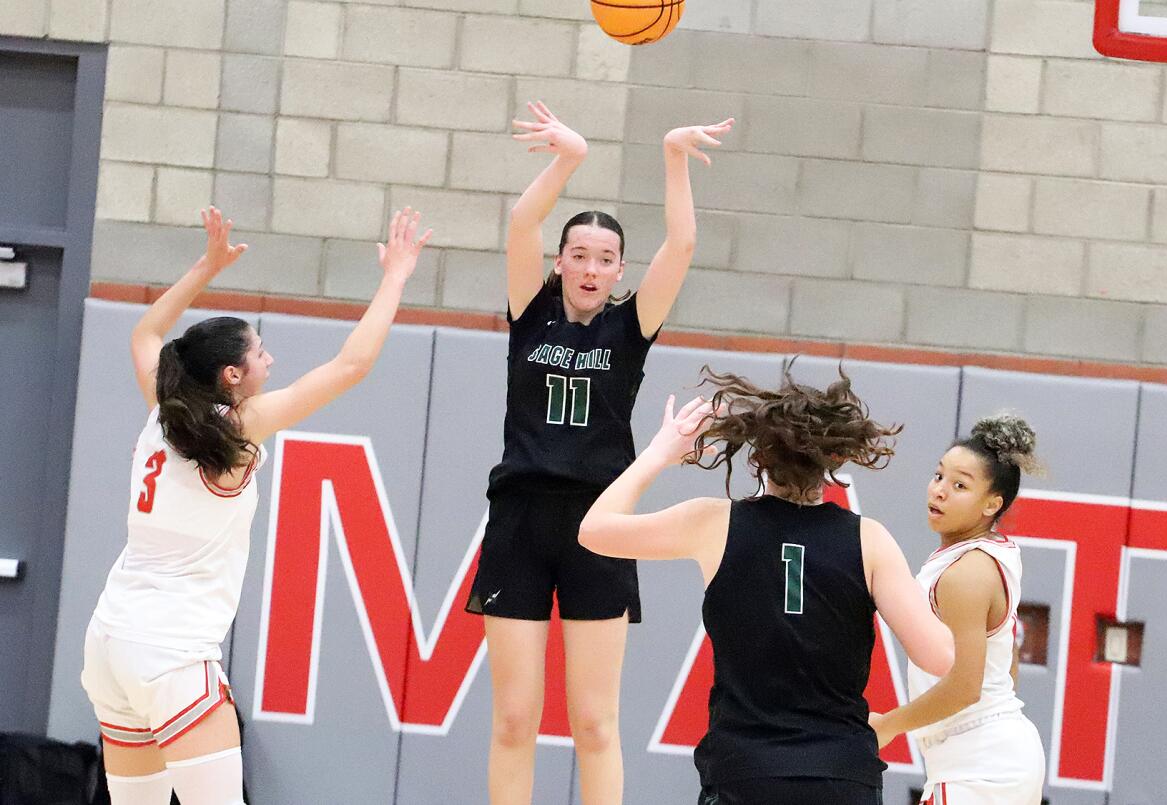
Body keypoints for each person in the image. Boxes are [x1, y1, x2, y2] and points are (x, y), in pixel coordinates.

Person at [80, 206, 431, 804]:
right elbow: (353, 364)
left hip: (111, 643)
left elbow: (145, 335)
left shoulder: (163, 406)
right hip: (171, 651)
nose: (271, 361)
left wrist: (204, 268)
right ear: (232, 375)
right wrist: (395, 277)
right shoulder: (238, 427)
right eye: (261, 354)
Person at [465, 100, 734, 805]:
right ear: (561, 263)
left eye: (605, 258)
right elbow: (522, 222)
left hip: (600, 524)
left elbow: (681, 245)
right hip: (519, 520)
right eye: (578, 255)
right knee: (514, 719)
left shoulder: (631, 326)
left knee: (594, 721)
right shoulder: (531, 309)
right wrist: (568, 156)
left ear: (619, 271)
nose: (590, 267)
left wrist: (675, 156)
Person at [579, 369, 956, 805]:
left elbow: (593, 531)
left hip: (745, 774)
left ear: (758, 459)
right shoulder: (869, 540)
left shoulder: (713, 523)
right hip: (841, 775)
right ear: (833, 461)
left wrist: (660, 452)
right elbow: (939, 657)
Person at [869, 416, 1047, 805]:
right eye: (938, 476)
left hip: (982, 765)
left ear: (992, 504)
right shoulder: (989, 553)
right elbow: (1007, 661)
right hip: (994, 756)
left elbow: (967, 687)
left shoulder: (966, 573)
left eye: (960, 485)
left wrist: (887, 725)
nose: (940, 491)